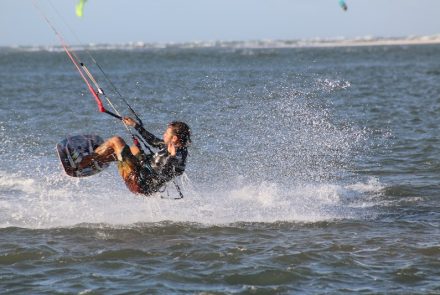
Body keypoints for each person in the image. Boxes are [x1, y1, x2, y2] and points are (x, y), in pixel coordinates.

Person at [78, 117, 191, 195]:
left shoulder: (177, 156)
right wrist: (135, 125)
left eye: (166, 133)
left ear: (174, 138)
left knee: (116, 141)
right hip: (143, 171)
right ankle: (99, 160)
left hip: (139, 183)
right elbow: (154, 141)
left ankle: (81, 163)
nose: (164, 135)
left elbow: (164, 174)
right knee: (133, 149)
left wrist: (172, 156)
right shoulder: (173, 146)